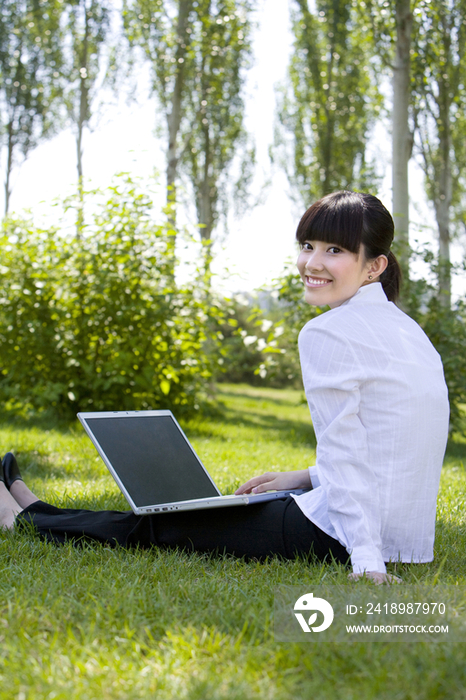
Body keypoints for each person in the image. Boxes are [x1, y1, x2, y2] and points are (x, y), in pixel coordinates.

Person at [0, 191, 449, 584]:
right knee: (182, 512)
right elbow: (393, 445)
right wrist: (302, 478)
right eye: (308, 245)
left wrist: (367, 561)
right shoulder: (409, 332)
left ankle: (19, 519)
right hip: (401, 532)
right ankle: (35, 504)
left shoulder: (329, 332)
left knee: (162, 526)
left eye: (334, 250)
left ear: (374, 266)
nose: (311, 263)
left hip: (344, 534)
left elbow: (350, 451)